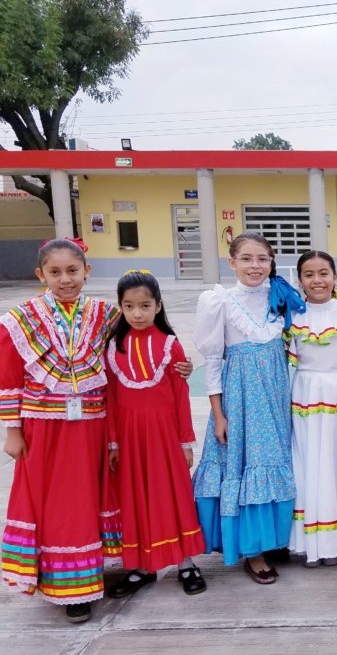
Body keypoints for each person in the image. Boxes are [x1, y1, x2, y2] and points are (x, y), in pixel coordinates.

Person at [0, 239, 121, 622]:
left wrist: (179, 366)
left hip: (92, 426)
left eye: (72, 271)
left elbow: (126, 363)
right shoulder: (20, 320)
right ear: (41, 275)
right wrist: (12, 430)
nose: (65, 279)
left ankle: (90, 571)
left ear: (87, 271)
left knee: (87, 498)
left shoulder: (107, 315)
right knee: (54, 504)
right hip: (43, 428)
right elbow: (9, 378)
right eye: (55, 272)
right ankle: (68, 586)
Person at [192, 232, 305, 585]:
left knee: (275, 461)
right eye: (246, 258)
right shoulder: (219, 301)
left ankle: (273, 539)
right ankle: (253, 550)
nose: (255, 266)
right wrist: (219, 415)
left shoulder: (280, 296)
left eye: (262, 259)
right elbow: (213, 361)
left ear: (272, 262)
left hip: (276, 394)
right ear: (232, 262)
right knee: (247, 465)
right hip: (240, 399)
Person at [105, 270, 207, 598]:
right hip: (129, 438)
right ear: (120, 307)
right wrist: (113, 442)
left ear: (158, 306)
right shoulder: (113, 347)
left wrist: (185, 441)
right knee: (136, 497)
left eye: (145, 306)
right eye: (129, 306)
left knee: (173, 495)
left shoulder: (170, 345)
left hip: (164, 437)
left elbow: (180, 396)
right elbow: (111, 398)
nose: (137, 314)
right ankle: (142, 565)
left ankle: (186, 563)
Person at [286, 251, 337, 567]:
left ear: (335, 276)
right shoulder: (292, 315)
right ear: (300, 279)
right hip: (305, 394)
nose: (317, 280)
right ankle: (311, 543)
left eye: (323, 273)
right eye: (309, 274)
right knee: (308, 464)